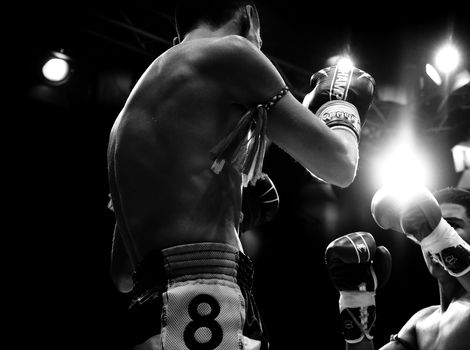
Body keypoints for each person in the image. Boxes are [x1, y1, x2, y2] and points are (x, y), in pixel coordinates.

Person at [106, 0, 376, 349]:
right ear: (250, 17)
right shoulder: (230, 52)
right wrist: (342, 108)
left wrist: (222, 213)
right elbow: (339, 165)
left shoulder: (132, 114)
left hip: (150, 315)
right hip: (204, 305)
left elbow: (123, 275)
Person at [326, 186, 470, 350]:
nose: (425, 235)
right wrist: (356, 300)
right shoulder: (421, 322)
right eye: (421, 231)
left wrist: (440, 236)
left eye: (452, 225)